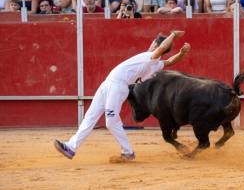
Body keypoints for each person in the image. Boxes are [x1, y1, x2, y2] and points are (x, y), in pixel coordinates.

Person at [54, 30, 191, 161]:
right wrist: (181, 53)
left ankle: (128, 152)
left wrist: (173, 34)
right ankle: (71, 147)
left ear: (155, 44)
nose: (151, 44)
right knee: (90, 117)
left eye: (154, 42)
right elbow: (170, 61)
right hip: (108, 84)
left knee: (111, 121)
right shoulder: (155, 63)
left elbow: (163, 49)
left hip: (117, 86)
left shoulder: (151, 58)